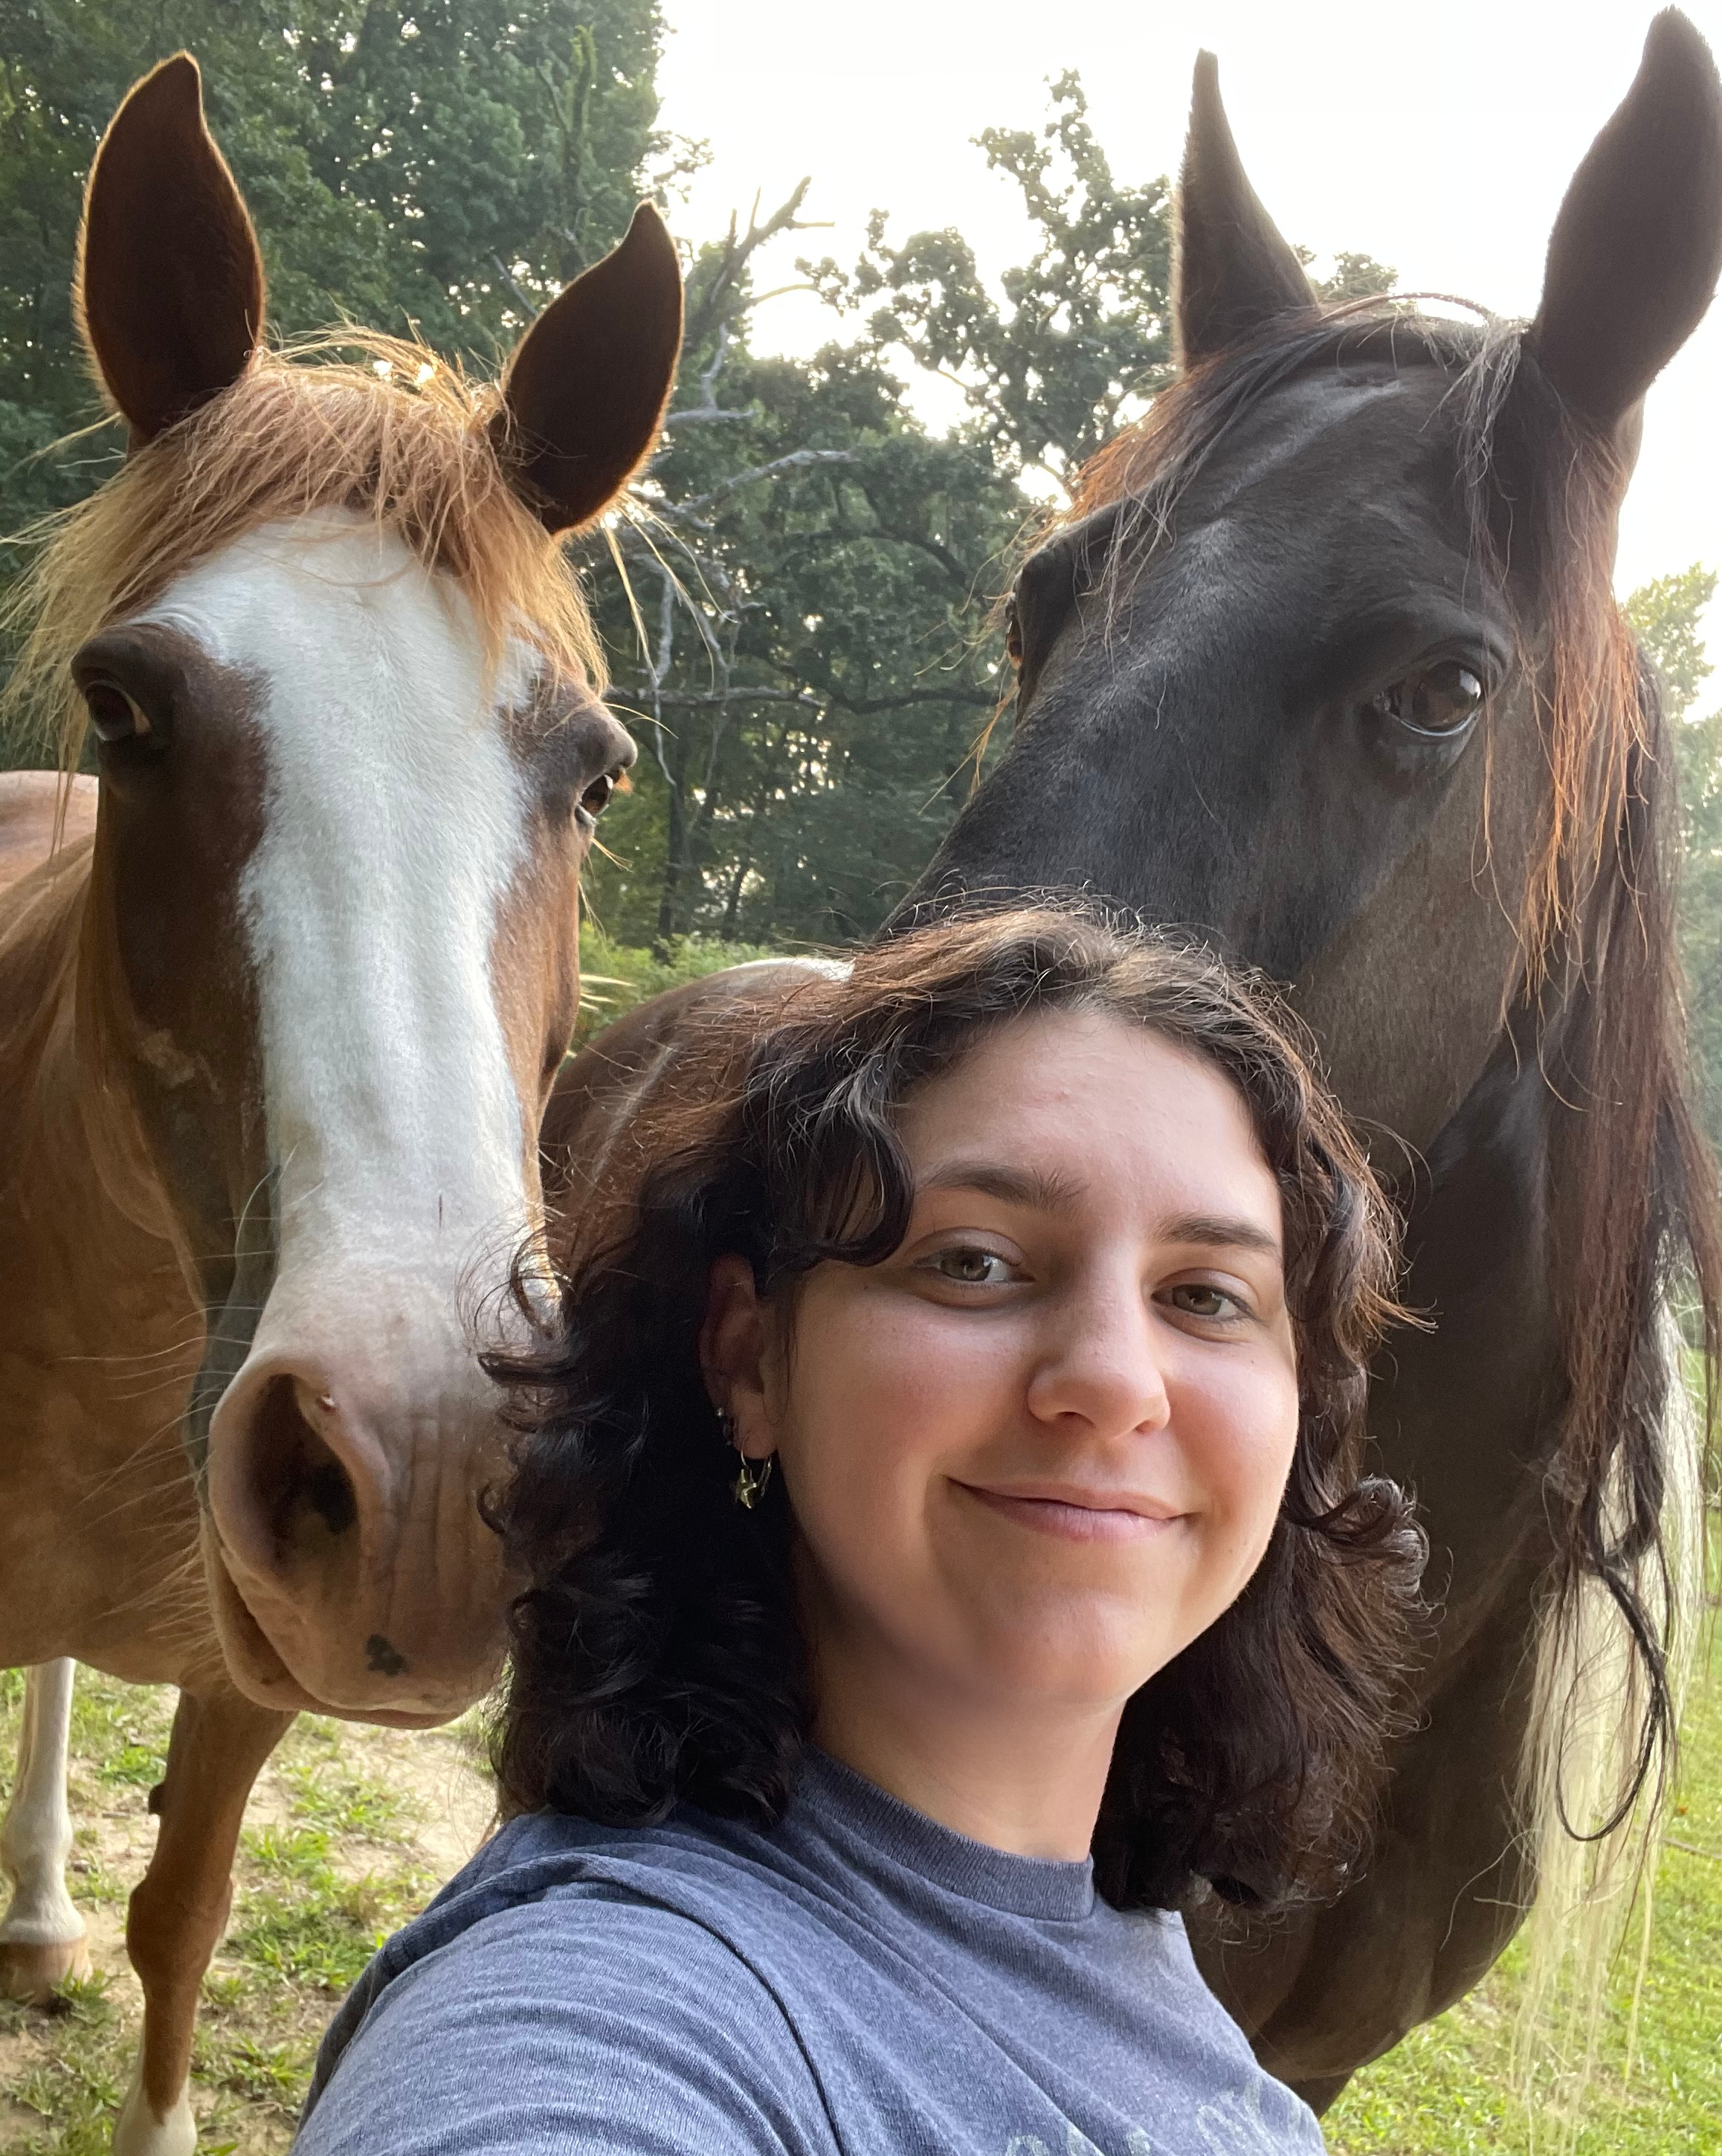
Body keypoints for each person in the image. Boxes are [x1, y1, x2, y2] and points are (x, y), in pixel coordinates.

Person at [294, 908, 1426, 2156]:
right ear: (748, 1355)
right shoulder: (595, 2007)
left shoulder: (1120, 1944)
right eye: (976, 1263)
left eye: (1207, 1296)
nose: (1115, 1378)